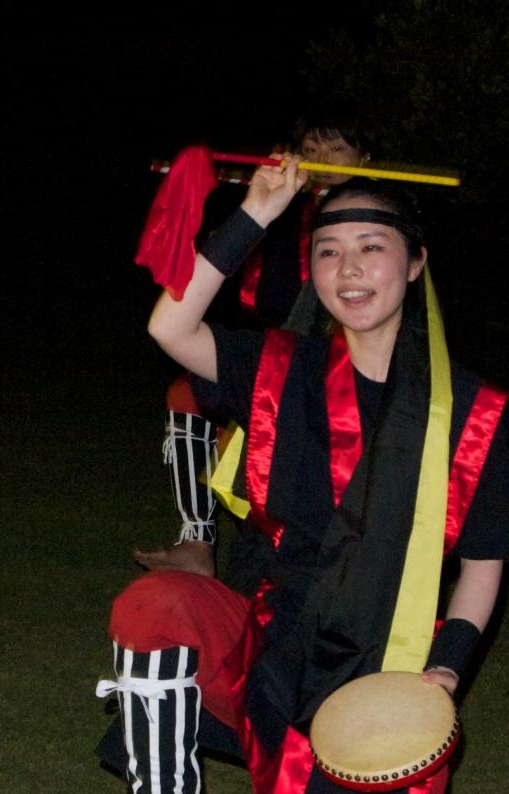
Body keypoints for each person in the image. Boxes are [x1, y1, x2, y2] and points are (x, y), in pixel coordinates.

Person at [92, 158, 509, 794]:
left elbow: (485, 562)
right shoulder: (279, 368)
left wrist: (447, 669)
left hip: (376, 684)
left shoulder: (471, 410)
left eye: (371, 247)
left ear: (415, 263)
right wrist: (255, 215)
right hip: (264, 648)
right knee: (156, 603)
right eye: (329, 251)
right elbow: (170, 328)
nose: (349, 269)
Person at [132, 114, 371, 580]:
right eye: (311, 149)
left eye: (336, 149)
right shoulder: (287, 208)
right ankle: (198, 539)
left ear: (364, 159)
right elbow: (256, 296)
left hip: (344, 364)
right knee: (185, 393)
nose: (321, 160)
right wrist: (259, 212)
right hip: (277, 352)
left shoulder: (379, 219)